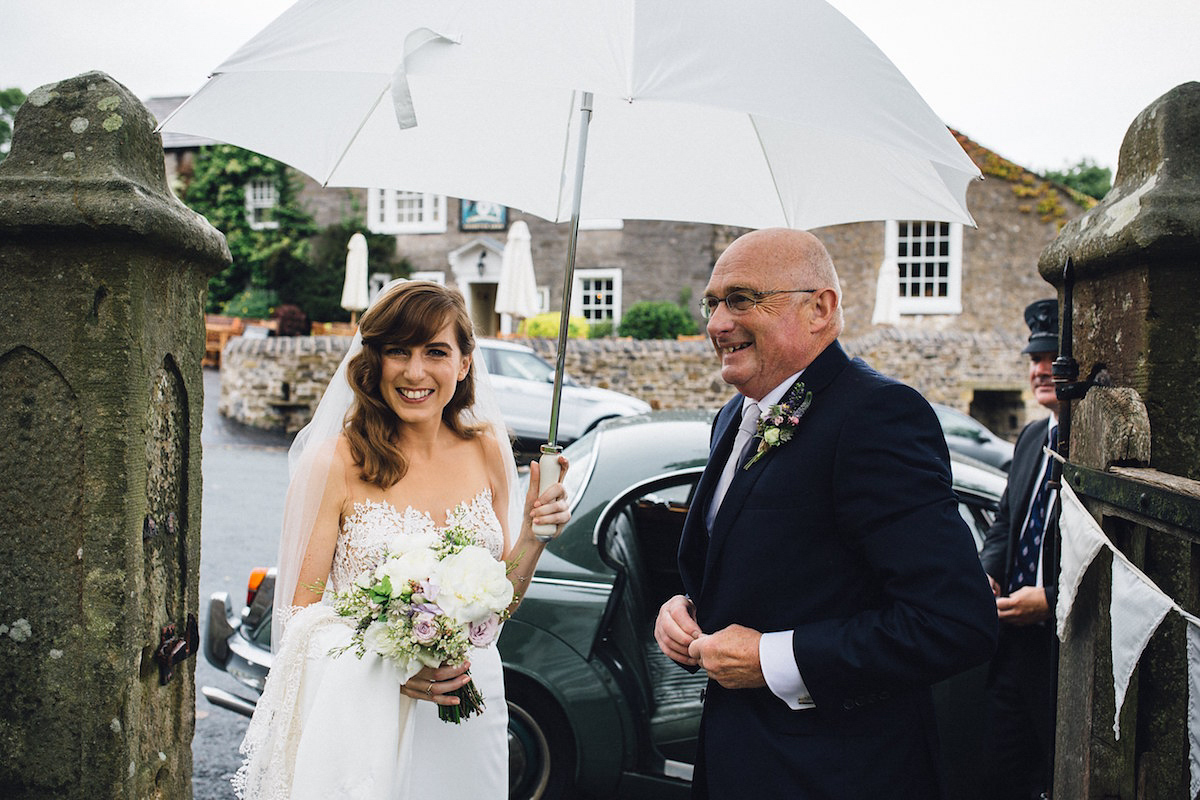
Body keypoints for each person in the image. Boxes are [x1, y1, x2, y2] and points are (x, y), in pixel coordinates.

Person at [653, 228, 998, 798]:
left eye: (741, 299)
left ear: (820, 308)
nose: (716, 323)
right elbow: (760, 574)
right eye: (712, 302)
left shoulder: (877, 416)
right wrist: (684, 612)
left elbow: (954, 623)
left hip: (837, 772)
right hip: (734, 759)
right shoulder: (731, 420)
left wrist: (771, 658)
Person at [233, 280, 570, 799]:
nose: (415, 372)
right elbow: (299, 618)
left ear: (463, 362)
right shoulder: (335, 464)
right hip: (369, 724)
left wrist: (533, 534)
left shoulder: (486, 452)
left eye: (435, 351)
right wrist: (390, 665)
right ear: (376, 362)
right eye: (398, 351)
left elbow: (495, 610)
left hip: (470, 704)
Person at [977, 298, 1061, 799]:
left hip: (1062, 652)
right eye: (1033, 359)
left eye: (1051, 357)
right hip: (1010, 648)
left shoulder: (1091, 444)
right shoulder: (1031, 437)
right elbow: (1007, 520)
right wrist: (987, 571)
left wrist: (1050, 599)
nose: (1039, 370)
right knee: (1000, 775)